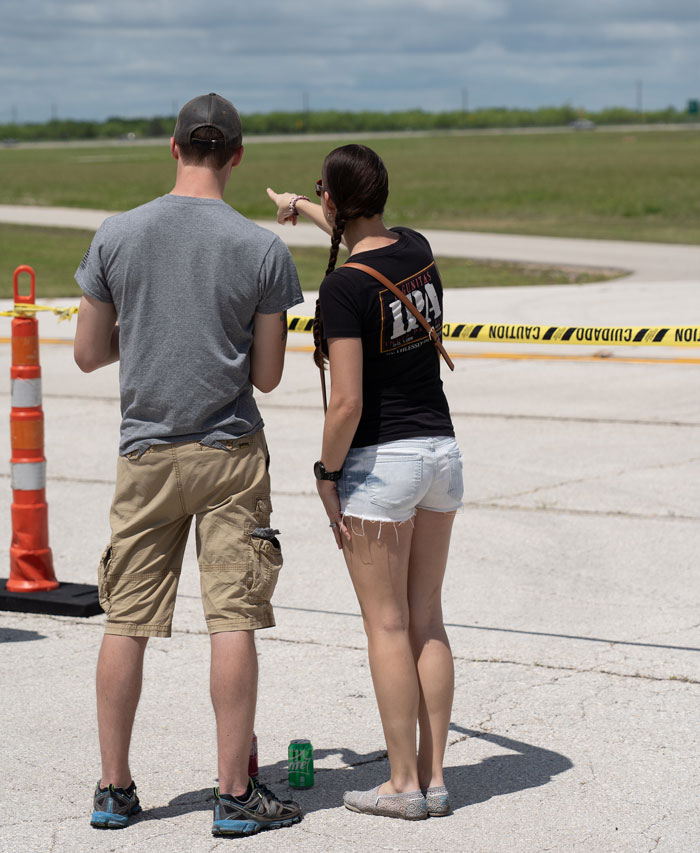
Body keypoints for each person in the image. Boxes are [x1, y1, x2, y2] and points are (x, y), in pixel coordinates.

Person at [74, 93, 303, 838]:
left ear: (174, 147)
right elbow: (267, 374)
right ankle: (234, 793)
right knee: (232, 618)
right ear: (236, 156)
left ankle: (114, 788)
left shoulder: (117, 234)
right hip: (230, 451)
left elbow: (87, 352)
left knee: (126, 621)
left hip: (146, 453)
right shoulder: (261, 248)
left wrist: (142, 333)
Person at [267, 144, 463, 820]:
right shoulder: (416, 248)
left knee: (387, 624)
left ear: (336, 199)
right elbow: (360, 239)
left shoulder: (344, 289)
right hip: (441, 454)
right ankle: (435, 778)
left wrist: (326, 472)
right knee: (427, 618)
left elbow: (346, 402)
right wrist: (301, 205)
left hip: (384, 465)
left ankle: (402, 784)